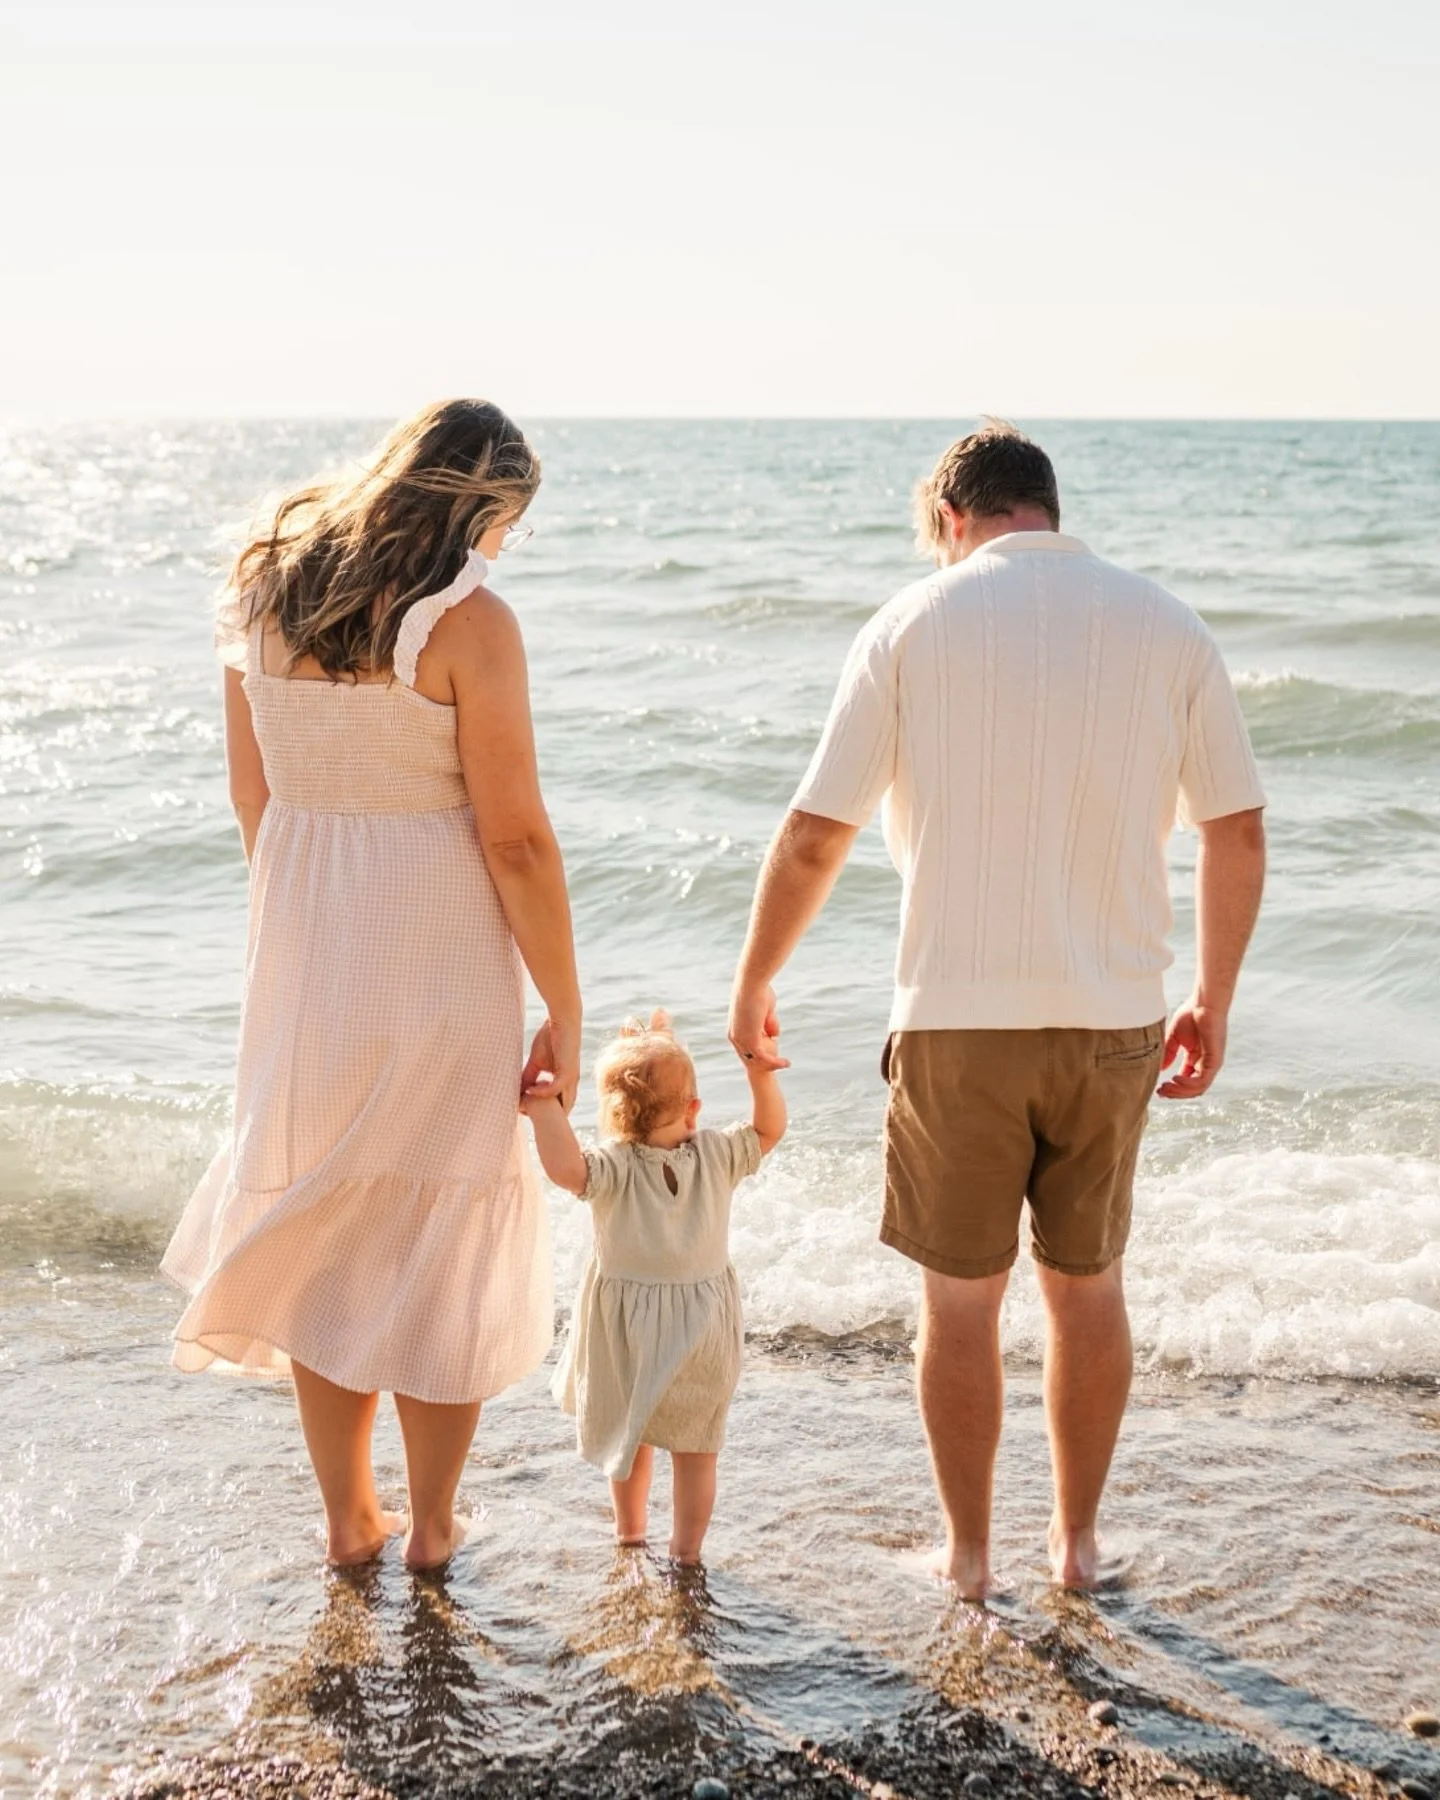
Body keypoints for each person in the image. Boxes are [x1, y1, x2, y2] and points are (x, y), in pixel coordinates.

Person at [728, 420, 1266, 1599]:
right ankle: (1076, 1549)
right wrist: (1211, 997)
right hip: (1116, 1016)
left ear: (949, 523)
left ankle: (970, 1560)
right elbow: (1236, 825)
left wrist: (759, 974)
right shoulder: (1167, 623)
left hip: (953, 1020)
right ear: (1049, 509)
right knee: (1089, 1290)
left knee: (959, 1303)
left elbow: (818, 832)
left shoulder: (911, 625)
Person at [161, 398, 581, 1571]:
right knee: (439, 1236)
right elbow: (516, 841)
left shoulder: (264, 595)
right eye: (512, 523)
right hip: (439, 954)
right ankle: (435, 1525)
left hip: (303, 951)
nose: (505, 546)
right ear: (481, 502)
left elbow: (254, 803)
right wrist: (567, 1003)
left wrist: (304, 922)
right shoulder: (470, 621)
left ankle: (348, 1517)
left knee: (333, 1227)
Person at [524, 1011, 785, 1563]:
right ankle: (686, 1554)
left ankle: (630, 1533)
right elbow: (769, 1130)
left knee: (630, 1435)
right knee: (698, 1450)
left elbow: (566, 1170)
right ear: (693, 1108)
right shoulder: (717, 1153)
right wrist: (760, 1074)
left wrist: (545, 1110)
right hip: (704, 1331)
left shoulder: (613, 1165)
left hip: (627, 1332)